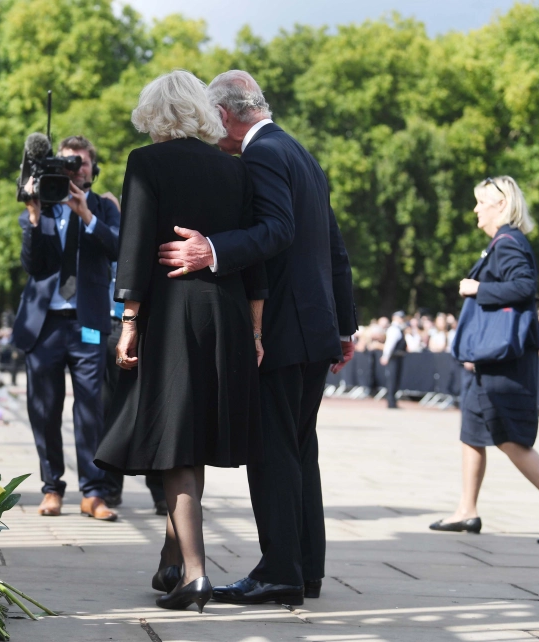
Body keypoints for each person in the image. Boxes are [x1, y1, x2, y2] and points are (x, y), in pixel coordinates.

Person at [155, 69, 358, 607]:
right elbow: (335, 249)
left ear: (223, 113)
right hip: (315, 327)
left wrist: (211, 251)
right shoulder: (300, 152)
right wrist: (344, 326)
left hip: (286, 329)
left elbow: (277, 230)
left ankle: (279, 571)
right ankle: (304, 567)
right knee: (299, 450)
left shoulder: (262, 154)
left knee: (272, 453)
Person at [94, 69, 266, 613]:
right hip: (229, 313)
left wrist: (128, 317)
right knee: (192, 439)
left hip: (171, 313)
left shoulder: (147, 162)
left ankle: (195, 574)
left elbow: (137, 244)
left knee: (176, 446)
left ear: (153, 113)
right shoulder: (233, 169)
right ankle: (172, 559)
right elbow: (253, 256)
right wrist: (257, 328)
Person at [430, 176, 539, 543]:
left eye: (481, 203)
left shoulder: (508, 243)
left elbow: (525, 287)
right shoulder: (503, 243)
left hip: (506, 361)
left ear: (500, 206)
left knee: (509, 436)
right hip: (495, 360)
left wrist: (478, 287)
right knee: (472, 432)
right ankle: (467, 510)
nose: (476, 210)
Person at [13, 135, 121, 521]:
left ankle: (93, 491)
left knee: (91, 407)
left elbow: (119, 250)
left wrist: (86, 215)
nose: (76, 170)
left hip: (87, 322)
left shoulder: (103, 208)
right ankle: (51, 487)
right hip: (44, 325)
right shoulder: (44, 203)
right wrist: (33, 214)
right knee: (44, 408)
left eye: (83, 164)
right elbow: (32, 264)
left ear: (93, 169)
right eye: (68, 164)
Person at [99, 195, 167, 516]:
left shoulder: (150, 239)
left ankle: (161, 493)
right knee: (111, 411)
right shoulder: (108, 236)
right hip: (110, 328)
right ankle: (110, 489)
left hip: (144, 329)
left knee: (153, 409)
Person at [380, 311, 407, 408]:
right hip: (394, 357)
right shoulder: (394, 329)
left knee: (395, 379)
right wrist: (386, 356)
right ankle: (391, 402)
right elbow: (389, 344)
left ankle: (393, 401)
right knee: (392, 379)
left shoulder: (399, 329)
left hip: (398, 357)